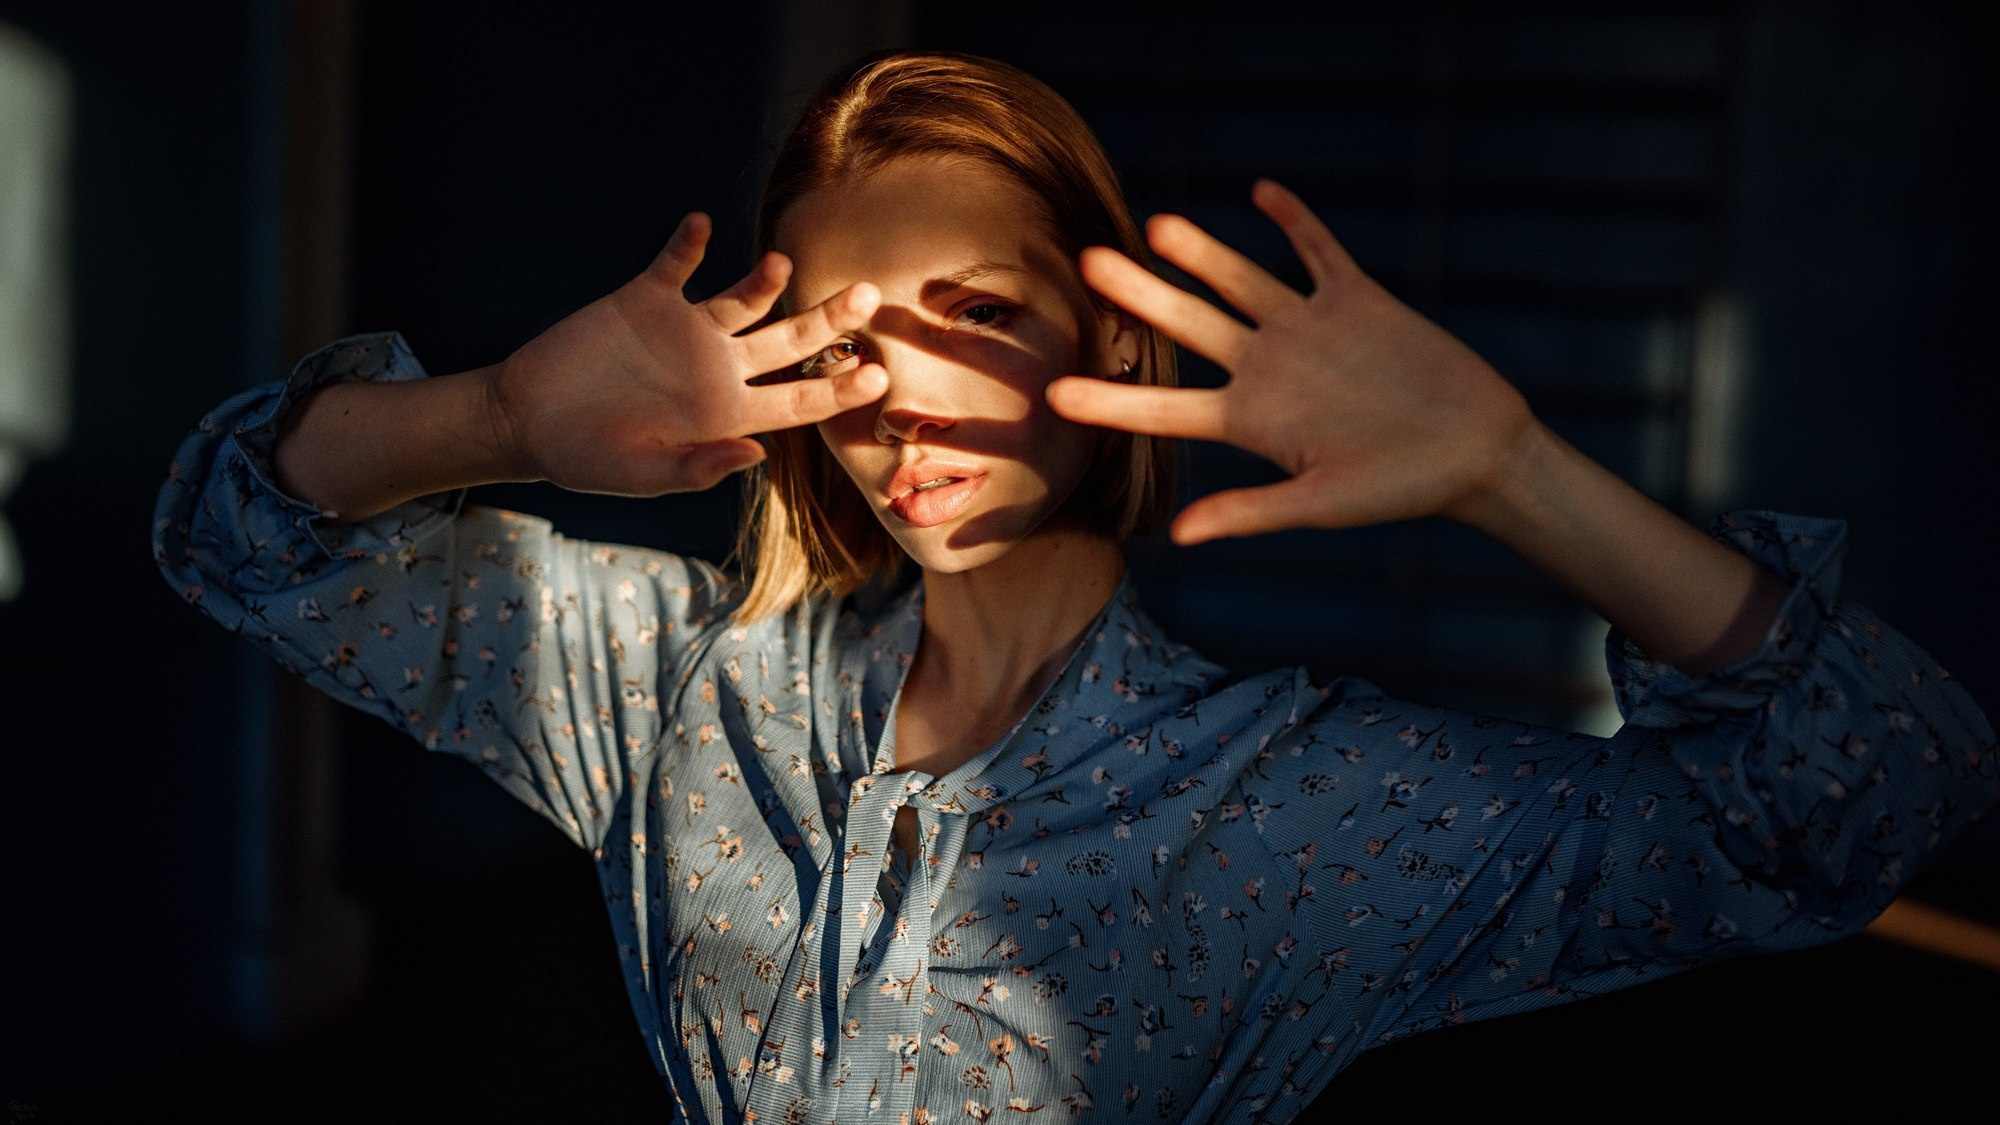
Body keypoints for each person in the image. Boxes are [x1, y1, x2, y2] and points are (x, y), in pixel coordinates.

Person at [154, 49, 1996, 1123]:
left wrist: (1518, 468)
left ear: (1098, 333)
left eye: (976, 312)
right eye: (842, 336)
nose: (907, 396)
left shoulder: (1290, 808)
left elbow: (1872, 796)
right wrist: (486, 413)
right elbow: (250, 530)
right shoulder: (669, 684)